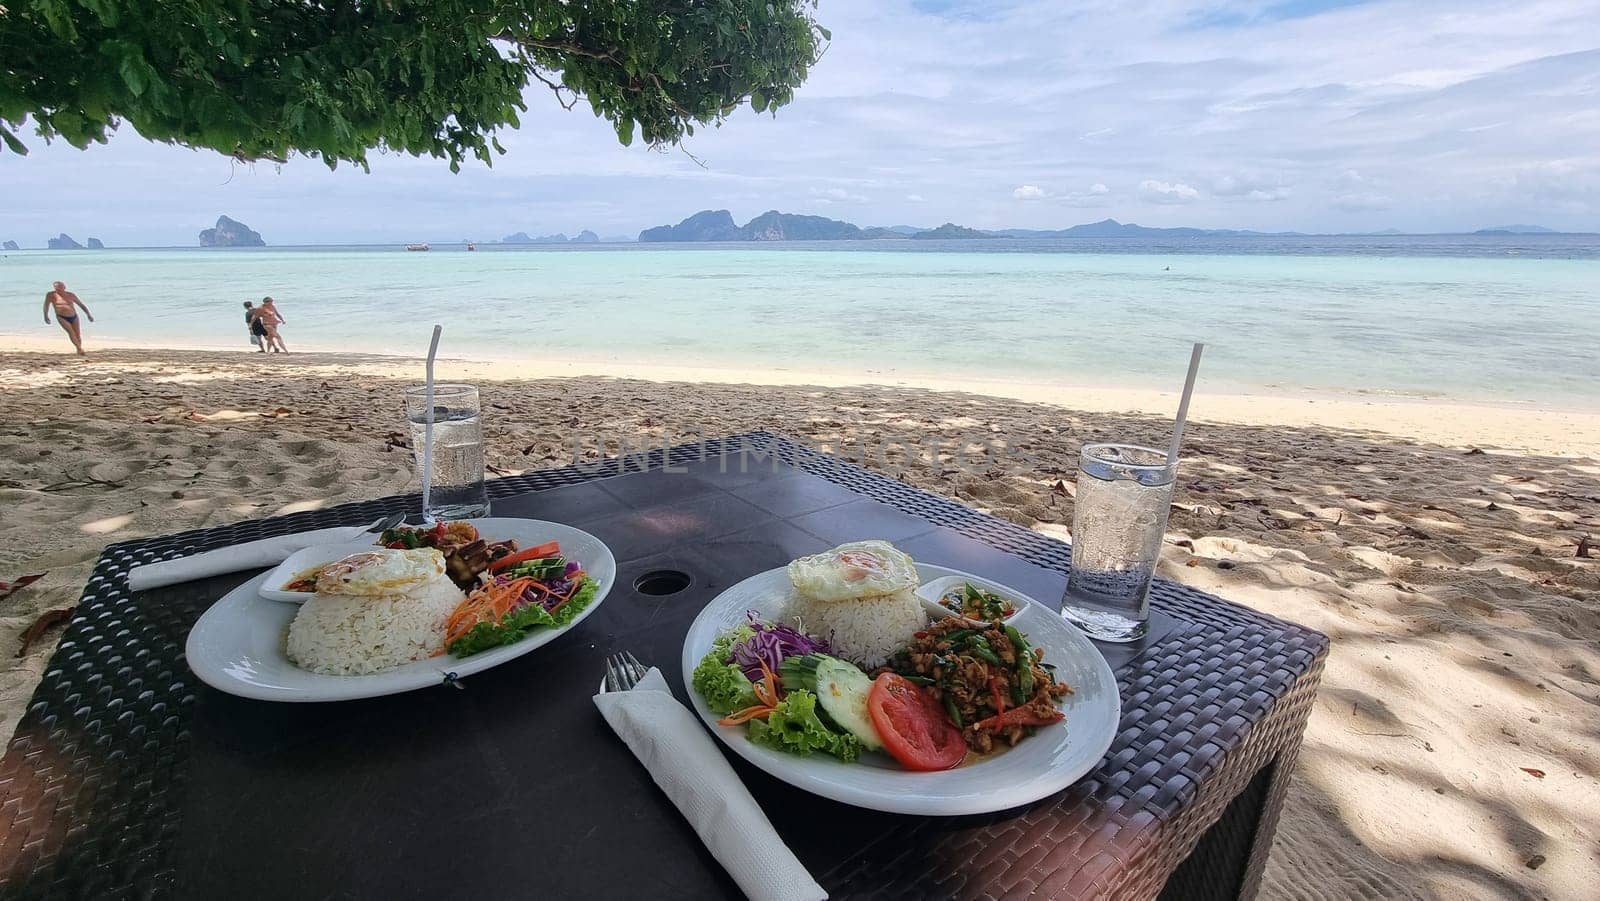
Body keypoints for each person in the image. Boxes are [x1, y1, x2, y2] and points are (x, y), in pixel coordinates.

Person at [43, 281, 93, 355]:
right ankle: (80, 348)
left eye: (60, 287)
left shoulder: (71, 295)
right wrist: (46, 316)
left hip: (74, 316)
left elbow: (81, 305)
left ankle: (78, 349)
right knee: (71, 332)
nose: (58, 288)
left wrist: (88, 315)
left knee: (77, 334)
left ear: (64, 287)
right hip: (61, 317)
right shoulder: (51, 295)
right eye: (56, 287)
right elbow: (46, 306)